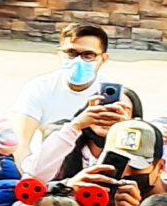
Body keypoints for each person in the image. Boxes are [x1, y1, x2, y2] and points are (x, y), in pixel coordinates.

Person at [13, 21, 111, 157]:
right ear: (59, 53)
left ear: (103, 59)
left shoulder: (111, 93)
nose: (78, 60)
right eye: (71, 53)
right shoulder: (39, 88)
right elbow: (20, 143)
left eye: (88, 55)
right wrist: (29, 176)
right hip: (47, 164)